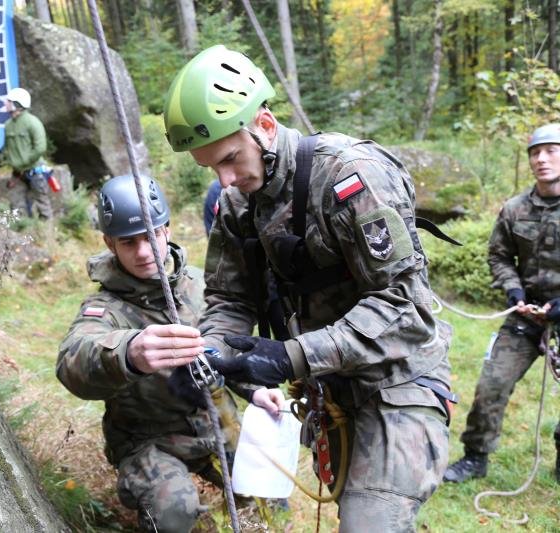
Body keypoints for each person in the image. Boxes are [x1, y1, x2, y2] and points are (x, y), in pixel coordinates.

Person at [161, 45, 454, 532]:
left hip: (398, 383)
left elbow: (405, 307)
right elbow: (230, 300)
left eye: (231, 159)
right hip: (330, 386)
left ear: (266, 126)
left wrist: (289, 356)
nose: (226, 179)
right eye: (210, 169)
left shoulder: (351, 177)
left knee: (370, 523)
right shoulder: (240, 204)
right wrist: (208, 353)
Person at [56, 174, 283, 533]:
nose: (144, 252)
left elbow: (227, 347)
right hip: (150, 440)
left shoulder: (201, 284)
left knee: (271, 492)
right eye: (129, 243)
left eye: (150, 236)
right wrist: (129, 353)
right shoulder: (106, 308)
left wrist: (255, 389)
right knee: (175, 510)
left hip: (217, 424)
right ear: (109, 243)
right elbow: (73, 361)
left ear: (166, 229)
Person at [443, 124, 560, 484]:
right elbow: (499, 256)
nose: (541, 159)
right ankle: (475, 457)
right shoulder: (515, 209)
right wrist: (514, 293)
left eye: (551, 150)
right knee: (491, 383)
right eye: (535, 153)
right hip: (526, 317)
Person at [2, 87, 53, 219]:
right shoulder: (8, 124)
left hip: (35, 171)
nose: (5, 103)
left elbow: (40, 147)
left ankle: (47, 234)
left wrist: (24, 161)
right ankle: (21, 232)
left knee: (43, 205)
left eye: (9, 101)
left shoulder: (33, 122)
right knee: (16, 205)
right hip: (17, 173)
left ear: (17, 104)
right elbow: (8, 147)